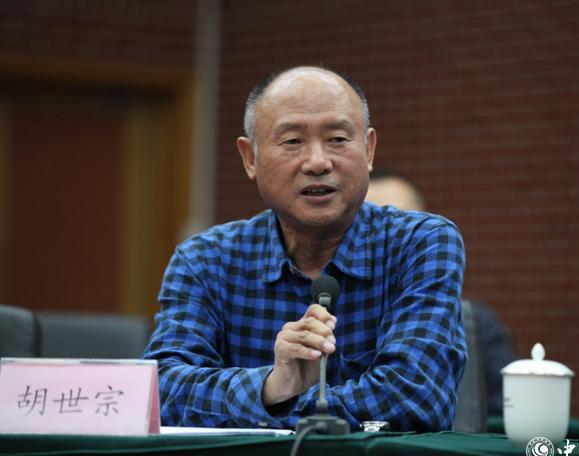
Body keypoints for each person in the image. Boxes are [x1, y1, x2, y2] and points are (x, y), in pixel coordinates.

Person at [143, 66, 467, 432]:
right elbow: (162, 393)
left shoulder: (420, 243)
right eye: (293, 141)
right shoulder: (205, 260)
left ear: (369, 149)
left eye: (338, 139)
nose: (318, 162)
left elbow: (414, 399)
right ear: (250, 158)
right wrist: (271, 386)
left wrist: (273, 409)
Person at [366, 170, 516, 415]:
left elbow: (506, 408)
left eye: (400, 221)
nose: (391, 234)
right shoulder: (332, 313)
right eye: (375, 221)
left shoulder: (476, 323)